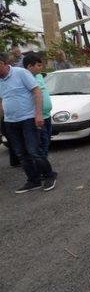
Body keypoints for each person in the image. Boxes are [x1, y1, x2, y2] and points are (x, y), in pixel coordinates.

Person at [0, 53, 57, 193]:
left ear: (2, 63)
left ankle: (49, 175)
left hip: (28, 119)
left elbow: (37, 92)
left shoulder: (20, 73)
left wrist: (38, 114)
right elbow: (1, 101)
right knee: (21, 154)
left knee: (34, 151)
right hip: (10, 122)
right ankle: (33, 180)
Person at [23, 53, 55, 160]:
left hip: (47, 116)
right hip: (38, 117)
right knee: (41, 142)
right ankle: (42, 166)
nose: (41, 67)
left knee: (47, 140)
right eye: (38, 65)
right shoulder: (26, 78)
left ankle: (43, 162)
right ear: (29, 67)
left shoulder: (39, 76)